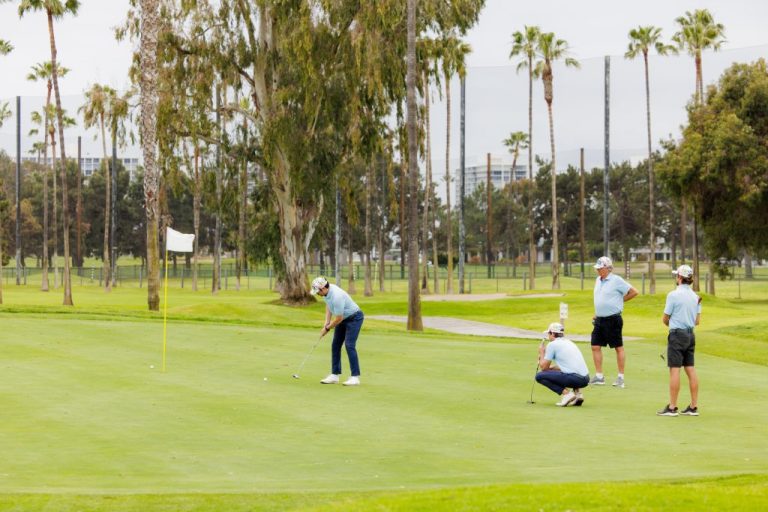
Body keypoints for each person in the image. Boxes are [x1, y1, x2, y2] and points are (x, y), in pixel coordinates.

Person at [657, 265, 702, 417]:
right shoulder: (696, 297)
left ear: (680, 278)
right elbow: (697, 321)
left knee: (675, 370)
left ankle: (672, 407)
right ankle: (693, 407)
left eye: (677, 275)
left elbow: (665, 319)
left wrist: (675, 326)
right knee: (690, 369)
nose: (676, 278)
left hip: (677, 335)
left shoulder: (673, 295)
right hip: (690, 335)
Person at [590, 256, 638, 388]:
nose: (598, 270)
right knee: (595, 346)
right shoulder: (598, 280)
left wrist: (619, 301)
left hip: (613, 319)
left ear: (608, 268)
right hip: (599, 319)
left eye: (600, 268)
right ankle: (599, 376)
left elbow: (634, 292)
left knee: (618, 347)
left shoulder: (616, 280)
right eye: (597, 268)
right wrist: (598, 313)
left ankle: (620, 378)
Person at [310, 276, 364, 386]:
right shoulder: (326, 293)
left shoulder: (336, 296)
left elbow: (339, 318)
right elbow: (329, 305)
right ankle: (334, 375)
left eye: (318, 291)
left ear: (323, 288)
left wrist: (327, 328)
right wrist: (326, 322)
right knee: (335, 345)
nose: (317, 294)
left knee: (349, 345)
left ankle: (355, 377)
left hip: (354, 318)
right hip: (343, 318)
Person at [535, 322, 590, 407]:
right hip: (585, 379)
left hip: (575, 379)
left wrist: (542, 352)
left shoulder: (552, 344)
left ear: (552, 333)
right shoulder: (569, 342)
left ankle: (567, 394)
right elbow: (567, 366)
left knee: (540, 376)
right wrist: (551, 368)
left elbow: (543, 368)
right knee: (566, 373)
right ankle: (578, 394)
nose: (548, 336)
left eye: (549, 333)